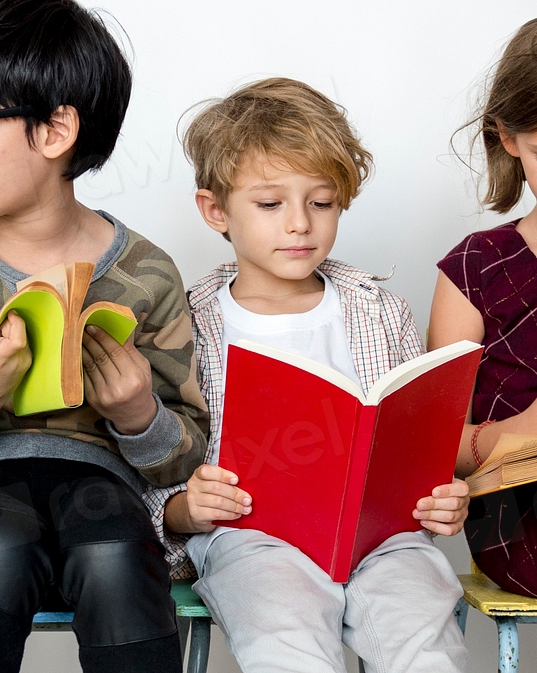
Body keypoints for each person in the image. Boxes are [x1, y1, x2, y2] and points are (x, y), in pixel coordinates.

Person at [0, 1, 209, 671]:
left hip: (96, 492)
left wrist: (140, 416)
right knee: (0, 542)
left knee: (114, 546)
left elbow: (185, 456)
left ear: (55, 131)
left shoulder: (146, 273)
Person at [143, 78, 470, 673]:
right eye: (270, 205)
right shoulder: (184, 328)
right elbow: (144, 461)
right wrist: (183, 509)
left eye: (320, 203)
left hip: (383, 539)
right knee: (285, 642)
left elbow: (418, 452)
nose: (300, 225)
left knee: (424, 639)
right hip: (253, 537)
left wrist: (441, 500)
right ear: (215, 209)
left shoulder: (380, 311)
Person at [429, 18, 537, 598]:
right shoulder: (476, 267)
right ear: (508, 137)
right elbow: (436, 442)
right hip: (519, 515)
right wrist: (523, 432)